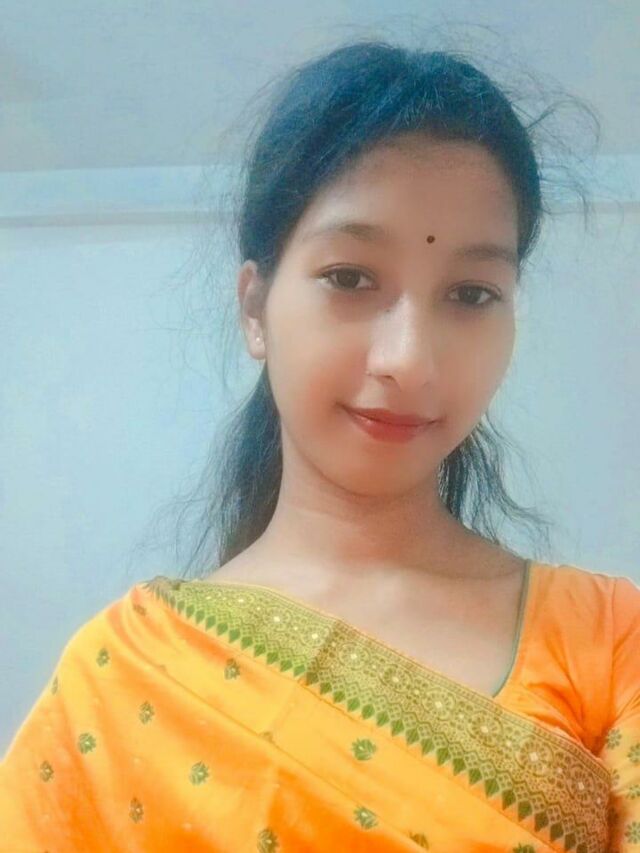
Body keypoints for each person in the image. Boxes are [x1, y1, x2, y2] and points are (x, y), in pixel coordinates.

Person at [1, 39, 639, 853]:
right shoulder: (122, 674)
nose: (409, 359)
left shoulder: (611, 638)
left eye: (471, 293)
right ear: (255, 308)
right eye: (350, 277)